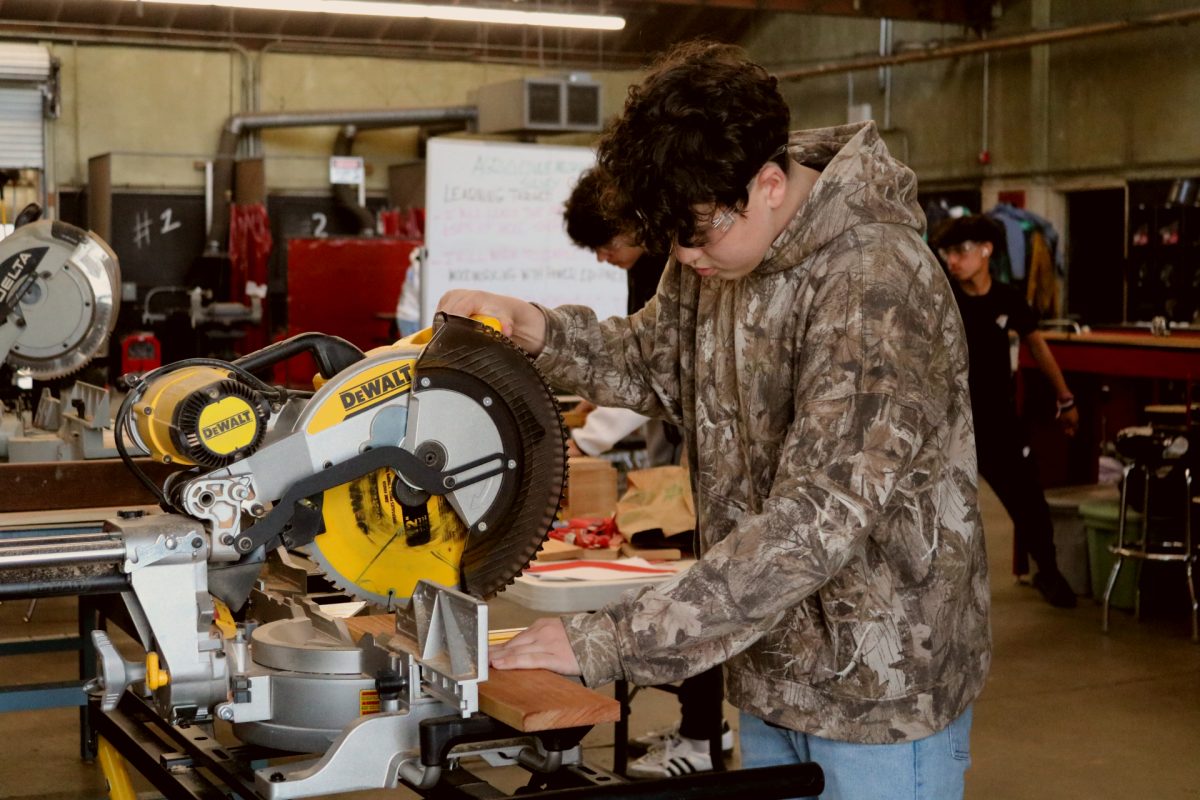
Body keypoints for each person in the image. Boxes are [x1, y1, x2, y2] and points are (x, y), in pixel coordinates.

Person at [440, 41, 989, 799]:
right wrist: (533, 328)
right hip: (773, 673)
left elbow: (815, 520)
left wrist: (606, 638)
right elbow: (654, 360)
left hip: (878, 699)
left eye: (696, 235)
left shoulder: (874, 282)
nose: (685, 256)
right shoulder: (720, 245)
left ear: (768, 183)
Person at [563, 168, 729, 778]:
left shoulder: (672, 258)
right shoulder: (655, 262)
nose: (607, 259)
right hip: (683, 443)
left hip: (701, 453)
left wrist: (588, 433)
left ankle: (701, 739)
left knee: (696, 584)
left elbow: (663, 374)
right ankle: (704, 727)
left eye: (607, 244)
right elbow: (642, 365)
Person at [932, 214, 1079, 608]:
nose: (953, 261)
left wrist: (1065, 399)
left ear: (986, 250)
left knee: (1029, 500)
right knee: (943, 511)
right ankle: (940, 591)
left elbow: (1038, 348)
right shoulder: (942, 297)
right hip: (950, 423)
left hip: (998, 423)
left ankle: (1047, 571)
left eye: (961, 251)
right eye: (947, 253)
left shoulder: (1008, 299)